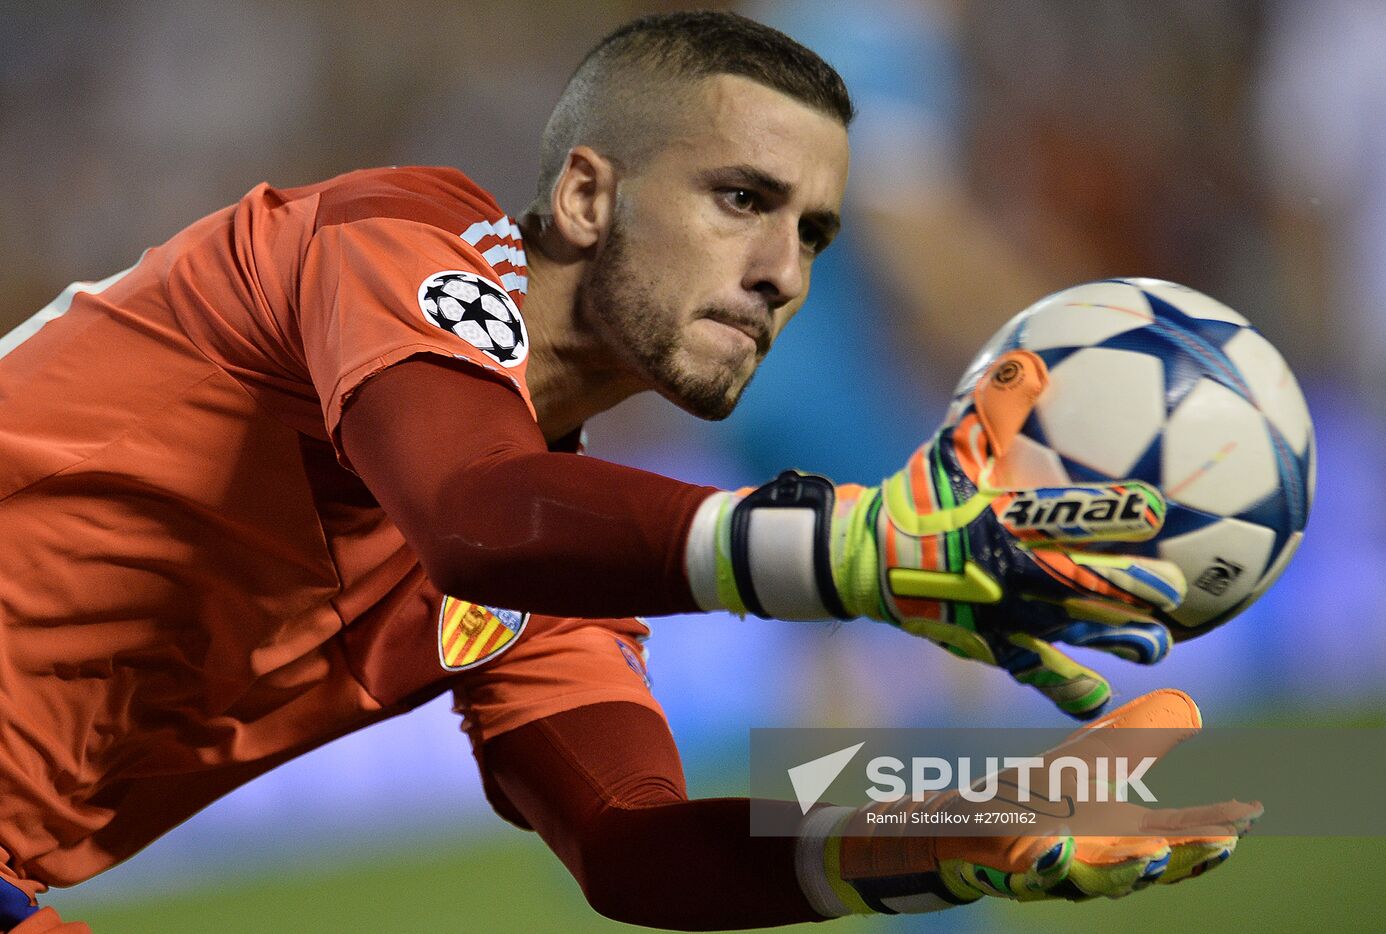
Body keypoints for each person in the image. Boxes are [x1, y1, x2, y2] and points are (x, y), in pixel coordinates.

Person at [0, 12, 1247, 931]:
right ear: (587, 193)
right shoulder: (386, 237)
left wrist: (965, 835)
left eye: (812, 231)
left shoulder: (566, 552)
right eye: (740, 199)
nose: (783, 272)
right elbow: (473, 516)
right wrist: (853, 547)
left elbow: (634, 850)